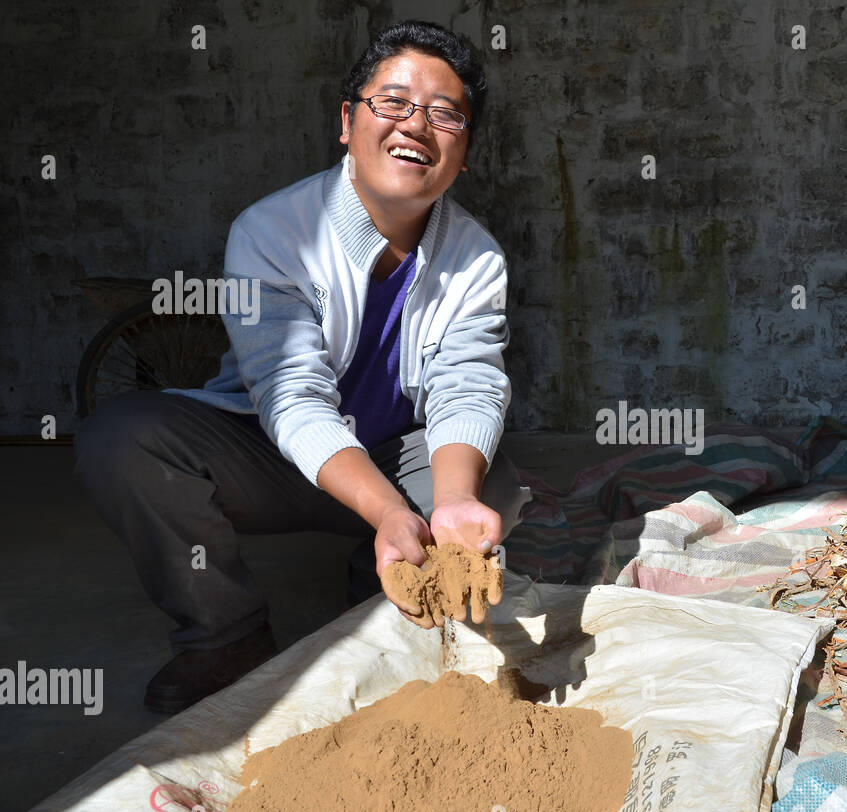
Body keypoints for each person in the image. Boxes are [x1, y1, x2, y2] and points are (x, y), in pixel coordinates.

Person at [74, 21, 530, 714]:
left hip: (395, 454)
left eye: (445, 113)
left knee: (491, 489)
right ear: (347, 121)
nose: (417, 124)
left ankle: (387, 574)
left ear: (463, 155)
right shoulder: (271, 231)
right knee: (122, 438)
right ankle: (226, 634)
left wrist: (456, 499)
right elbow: (291, 394)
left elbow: (469, 382)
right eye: (394, 102)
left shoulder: (478, 258)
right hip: (272, 455)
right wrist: (381, 508)